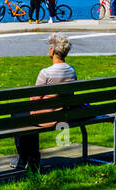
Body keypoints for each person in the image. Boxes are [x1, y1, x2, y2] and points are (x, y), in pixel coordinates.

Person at [12, 33, 77, 173]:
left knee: (18, 116)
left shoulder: (45, 73)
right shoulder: (71, 71)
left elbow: (34, 101)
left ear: (53, 51)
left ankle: (26, 158)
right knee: (26, 116)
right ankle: (31, 158)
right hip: (63, 114)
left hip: (46, 117)